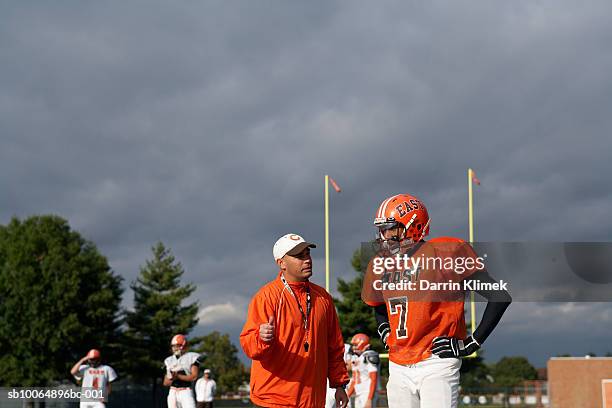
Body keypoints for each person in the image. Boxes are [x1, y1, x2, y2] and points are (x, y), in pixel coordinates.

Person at [362, 194, 512, 408]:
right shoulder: (380, 264)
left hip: (436, 360)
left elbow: (499, 296)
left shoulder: (446, 253)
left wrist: (472, 342)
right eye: (382, 230)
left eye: (390, 229)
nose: (384, 236)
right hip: (397, 363)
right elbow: (378, 306)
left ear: (412, 226)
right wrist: (385, 329)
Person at [240, 233, 350, 407]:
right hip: (274, 399)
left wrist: (339, 384)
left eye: (307, 254)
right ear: (281, 263)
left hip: (313, 399)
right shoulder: (266, 297)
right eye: (299, 256)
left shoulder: (323, 298)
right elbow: (249, 345)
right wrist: (261, 338)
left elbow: (334, 346)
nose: (307, 260)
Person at [163, 334, 204, 408]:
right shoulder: (169, 360)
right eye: (173, 346)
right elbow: (166, 383)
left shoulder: (191, 357)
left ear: (183, 345)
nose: (175, 348)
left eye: (177, 345)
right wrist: (171, 377)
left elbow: (194, 377)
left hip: (185, 391)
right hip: (172, 392)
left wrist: (178, 376)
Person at [346, 334, 379, 408]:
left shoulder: (369, 356)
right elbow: (354, 380)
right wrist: (347, 396)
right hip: (358, 393)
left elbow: (373, 379)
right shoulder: (356, 358)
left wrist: (369, 399)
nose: (353, 347)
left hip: (367, 393)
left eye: (355, 345)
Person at [326, 344, 353, 408]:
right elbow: (350, 366)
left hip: (334, 382)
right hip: (336, 382)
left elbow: (349, 366)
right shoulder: (345, 346)